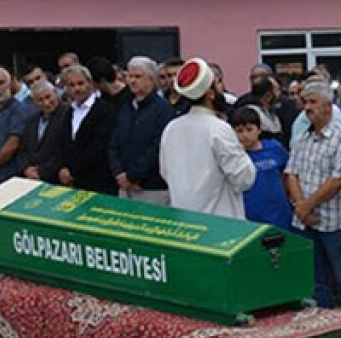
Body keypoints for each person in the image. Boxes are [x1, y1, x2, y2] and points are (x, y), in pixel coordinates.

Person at [285, 81, 341, 312]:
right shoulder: (302, 138)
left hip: (333, 222)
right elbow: (291, 173)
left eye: (313, 102)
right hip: (304, 221)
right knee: (316, 281)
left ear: (328, 106)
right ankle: (324, 325)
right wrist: (301, 207)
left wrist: (307, 205)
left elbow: (339, 180)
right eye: (305, 102)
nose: (307, 107)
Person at [159, 57, 256, 218]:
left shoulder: (171, 128)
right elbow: (244, 179)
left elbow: (165, 173)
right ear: (210, 94)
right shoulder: (219, 128)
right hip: (219, 225)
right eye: (217, 84)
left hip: (184, 221)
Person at [108, 56, 174, 205]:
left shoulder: (162, 110)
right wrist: (118, 173)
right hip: (124, 186)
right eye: (130, 76)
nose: (132, 81)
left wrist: (132, 176)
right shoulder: (125, 108)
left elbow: (157, 147)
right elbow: (114, 143)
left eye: (137, 76)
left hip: (152, 188)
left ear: (151, 79)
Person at [52, 64, 117, 194]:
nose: (77, 89)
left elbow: (99, 147)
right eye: (72, 85)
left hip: (98, 181)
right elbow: (63, 143)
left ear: (90, 83)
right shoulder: (68, 112)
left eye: (80, 83)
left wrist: (74, 171)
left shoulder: (104, 110)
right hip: (73, 183)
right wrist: (63, 168)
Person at [231, 106, 293, 232]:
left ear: (259, 130)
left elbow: (287, 173)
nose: (245, 135)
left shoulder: (274, 148)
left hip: (279, 213)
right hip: (250, 216)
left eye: (249, 130)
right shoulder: (235, 156)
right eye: (239, 131)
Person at [17, 80, 67, 185]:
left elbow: (63, 151)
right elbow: (23, 149)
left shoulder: (67, 116)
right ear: (34, 102)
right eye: (40, 100)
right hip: (31, 179)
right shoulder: (32, 121)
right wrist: (26, 168)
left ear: (55, 93)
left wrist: (41, 172)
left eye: (48, 97)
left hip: (55, 178)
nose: (46, 103)